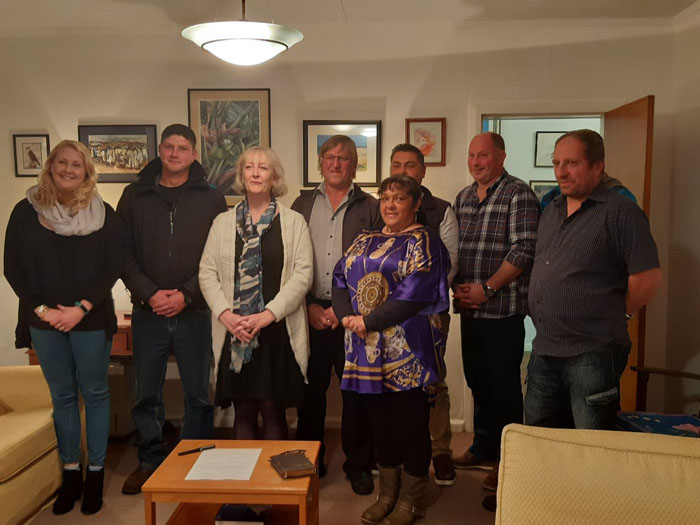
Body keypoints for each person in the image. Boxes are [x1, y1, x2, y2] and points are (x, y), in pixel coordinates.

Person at [4, 140, 122, 515]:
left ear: (87, 171)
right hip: (43, 321)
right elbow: (12, 267)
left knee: (96, 394)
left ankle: (96, 474)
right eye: (63, 162)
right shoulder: (25, 211)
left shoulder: (105, 213)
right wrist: (43, 310)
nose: (69, 170)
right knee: (64, 398)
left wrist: (79, 309)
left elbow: (112, 266)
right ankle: (71, 475)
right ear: (50, 165)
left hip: (89, 319)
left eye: (77, 165)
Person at [333, 174, 450, 525]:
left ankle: (411, 499)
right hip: (365, 349)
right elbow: (340, 276)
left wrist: (367, 321)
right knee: (380, 423)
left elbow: (415, 292)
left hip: (405, 350)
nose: (390, 205)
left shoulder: (424, 241)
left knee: (410, 424)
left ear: (415, 204)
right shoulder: (364, 239)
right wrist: (346, 317)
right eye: (385, 198)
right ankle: (388, 494)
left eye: (399, 198)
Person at [525, 129, 661, 430]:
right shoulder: (551, 209)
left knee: (592, 441)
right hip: (545, 349)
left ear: (598, 166)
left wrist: (618, 312)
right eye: (557, 162)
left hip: (593, 351)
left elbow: (648, 277)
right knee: (538, 437)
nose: (561, 171)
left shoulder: (621, 212)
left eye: (571, 163)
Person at [118, 124, 227, 494]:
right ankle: (150, 460)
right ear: (160, 150)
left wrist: (185, 293)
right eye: (169, 146)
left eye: (183, 147)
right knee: (146, 393)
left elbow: (219, 257)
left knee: (198, 393)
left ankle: (194, 461)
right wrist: (149, 294)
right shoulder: (134, 195)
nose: (175, 153)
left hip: (194, 311)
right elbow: (123, 253)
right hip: (147, 312)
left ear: (194, 154)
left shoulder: (211, 197)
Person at [199, 146, 313, 439]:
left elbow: (303, 276)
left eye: (263, 167)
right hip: (235, 332)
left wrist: (266, 316)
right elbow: (207, 273)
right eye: (249, 167)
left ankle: (272, 484)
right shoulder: (222, 223)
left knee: (273, 410)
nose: (255, 173)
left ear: (274, 176)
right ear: (241, 175)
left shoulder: (293, 222)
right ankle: (245, 482)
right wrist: (227, 316)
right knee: (244, 409)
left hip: (276, 330)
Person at [292, 134, 381, 494]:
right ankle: (310, 460)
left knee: (356, 396)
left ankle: (358, 464)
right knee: (308, 395)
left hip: (353, 318)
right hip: (309, 313)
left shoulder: (371, 207)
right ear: (320, 162)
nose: (335, 163)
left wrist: (341, 311)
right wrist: (309, 305)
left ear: (355, 163)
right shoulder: (300, 204)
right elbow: (289, 262)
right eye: (329, 157)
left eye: (343, 158)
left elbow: (377, 267)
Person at [452, 132, 540, 494]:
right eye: (471, 155)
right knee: (477, 382)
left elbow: (523, 251)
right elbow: (454, 248)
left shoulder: (518, 194)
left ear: (501, 157)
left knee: (503, 388)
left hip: (502, 310)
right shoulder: (463, 196)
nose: (476, 161)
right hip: (470, 310)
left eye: (483, 155)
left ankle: (508, 459)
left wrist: (487, 289)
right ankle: (482, 445)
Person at [389, 143, 459, 486]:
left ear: (423, 171)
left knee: (431, 379)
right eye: (397, 164)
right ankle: (397, 452)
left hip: (428, 313)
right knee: (392, 381)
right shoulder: (382, 208)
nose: (403, 171)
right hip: (385, 315)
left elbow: (449, 266)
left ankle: (441, 450)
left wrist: (411, 299)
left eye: (410, 165)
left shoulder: (441, 209)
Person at [540, 171, 636, 209]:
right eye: (556, 163)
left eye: (572, 163)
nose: (561, 173)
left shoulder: (621, 198)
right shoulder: (552, 197)